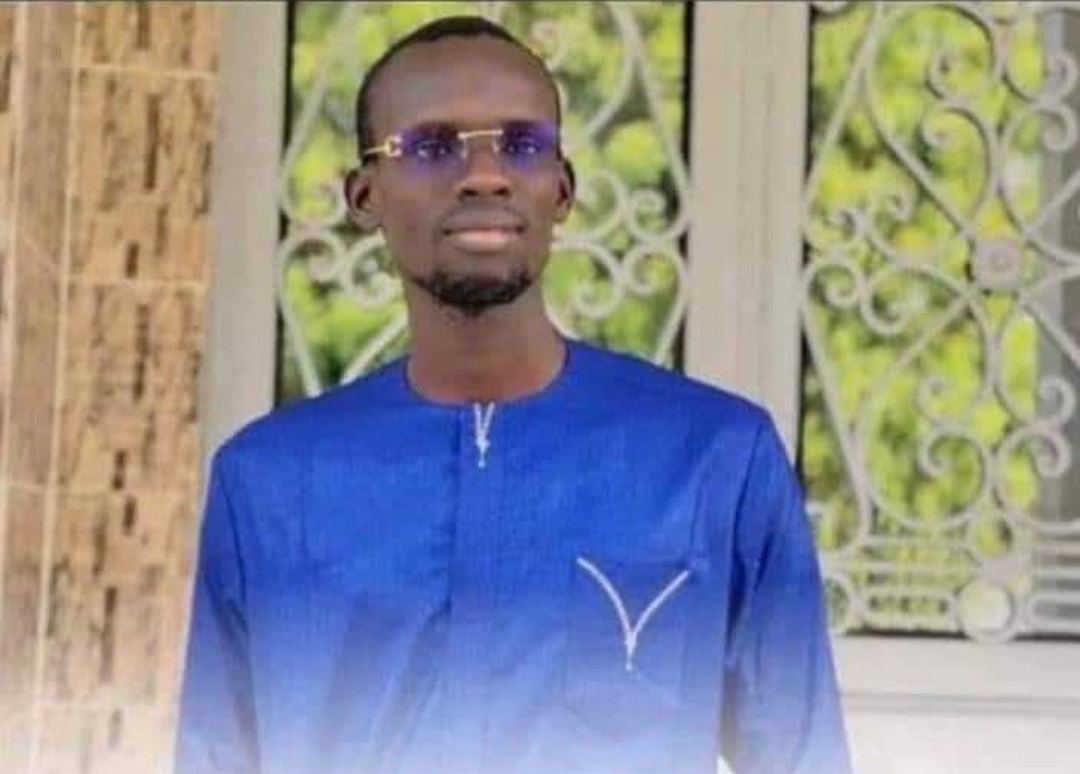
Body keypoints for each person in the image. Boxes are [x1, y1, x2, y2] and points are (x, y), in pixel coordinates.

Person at [174, 15, 851, 774]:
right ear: (365, 195)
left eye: (523, 144)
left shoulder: (715, 461)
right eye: (432, 147)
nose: (486, 175)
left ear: (561, 189)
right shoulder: (269, 484)